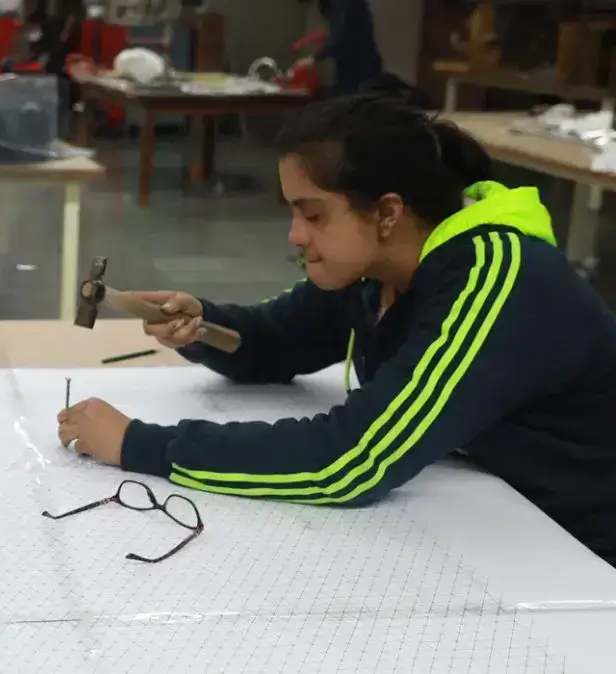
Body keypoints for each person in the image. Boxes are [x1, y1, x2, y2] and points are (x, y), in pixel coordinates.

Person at [56, 92, 616, 568]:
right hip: (495, 516)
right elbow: (276, 340)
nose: (296, 235)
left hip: (578, 556)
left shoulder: (496, 275)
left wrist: (141, 445)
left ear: (388, 213)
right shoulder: (375, 270)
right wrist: (203, 324)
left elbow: (351, 459)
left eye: (314, 214)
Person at [293, 0, 383, 97]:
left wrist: (313, 59)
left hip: (360, 69)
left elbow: (344, 36)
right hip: (351, 66)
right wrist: (326, 36)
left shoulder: (342, 3)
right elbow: (349, 29)